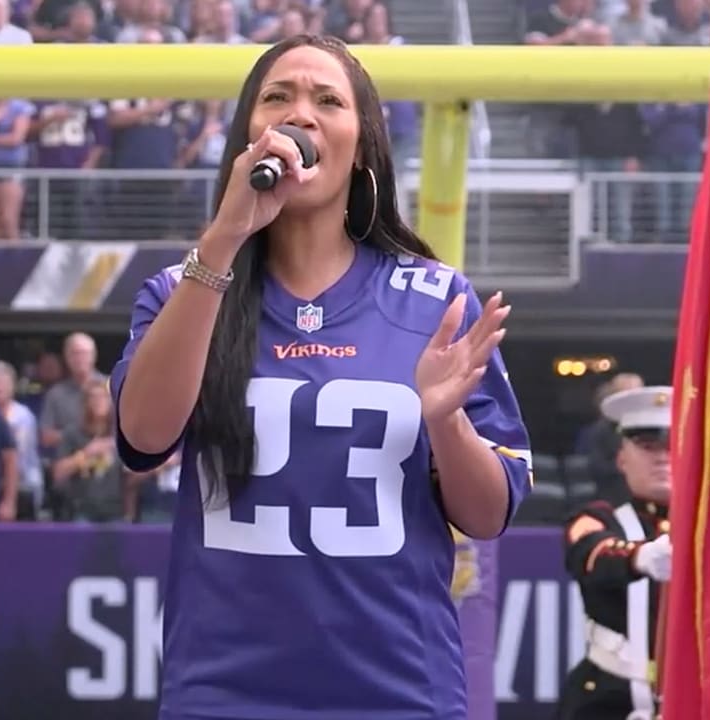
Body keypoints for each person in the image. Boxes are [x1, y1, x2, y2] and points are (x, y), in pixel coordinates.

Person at [111, 34, 533, 718]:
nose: (299, 114)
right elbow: (143, 435)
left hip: (400, 694)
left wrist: (444, 421)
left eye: (327, 100)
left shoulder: (433, 300)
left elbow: (487, 517)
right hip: (223, 694)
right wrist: (221, 240)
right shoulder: (179, 293)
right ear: (247, 135)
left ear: (362, 146)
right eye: (277, 97)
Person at [559, 386, 674, 720]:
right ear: (622, 457)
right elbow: (590, 553)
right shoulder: (597, 518)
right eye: (648, 446)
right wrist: (639, 558)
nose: (663, 457)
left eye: (671, 446)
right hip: (607, 699)